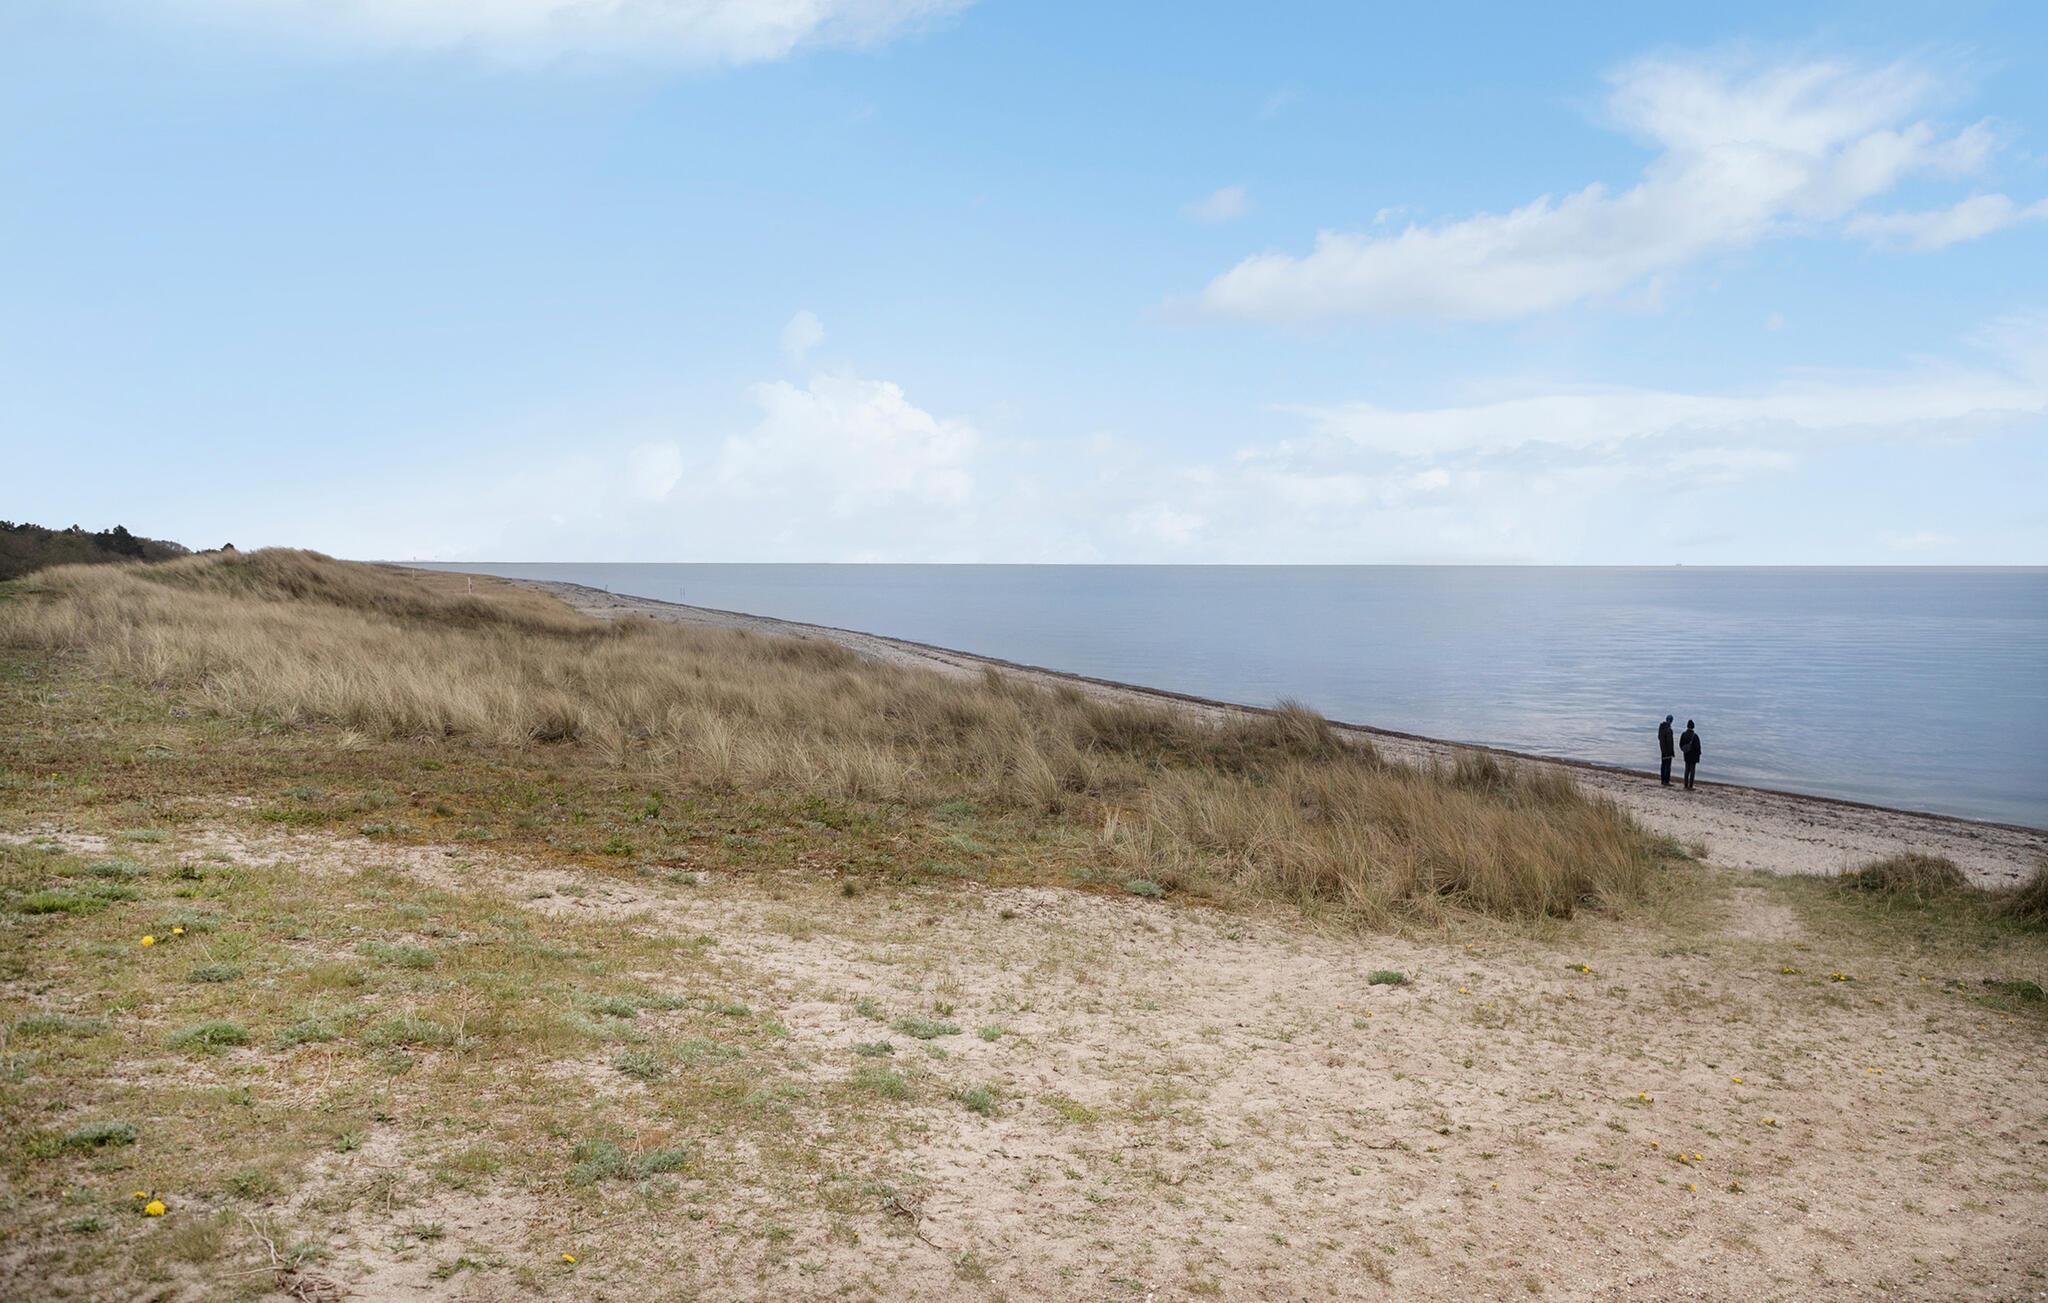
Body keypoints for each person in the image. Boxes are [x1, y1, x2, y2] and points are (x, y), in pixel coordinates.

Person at [1679, 720, 1702, 790]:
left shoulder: (1683, 734)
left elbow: (1680, 744)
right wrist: (1699, 753)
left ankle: (1685, 784)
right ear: (1693, 726)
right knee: (1692, 771)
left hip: (1686, 754)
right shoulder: (1695, 736)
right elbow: (1698, 747)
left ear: (1687, 726)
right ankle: (1690, 785)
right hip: (1694, 756)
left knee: (1686, 770)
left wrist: (1684, 750)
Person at [1656, 715, 1675, 786]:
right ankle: (1666, 781)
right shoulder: (1669, 730)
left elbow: (1659, 738)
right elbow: (1670, 742)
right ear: (1671, 721)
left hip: (1662, 750)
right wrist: (1671, 752)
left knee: (1663, 765)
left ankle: (1662, 780)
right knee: (1667, 766)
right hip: (1668, 751)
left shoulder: (1661, 729)